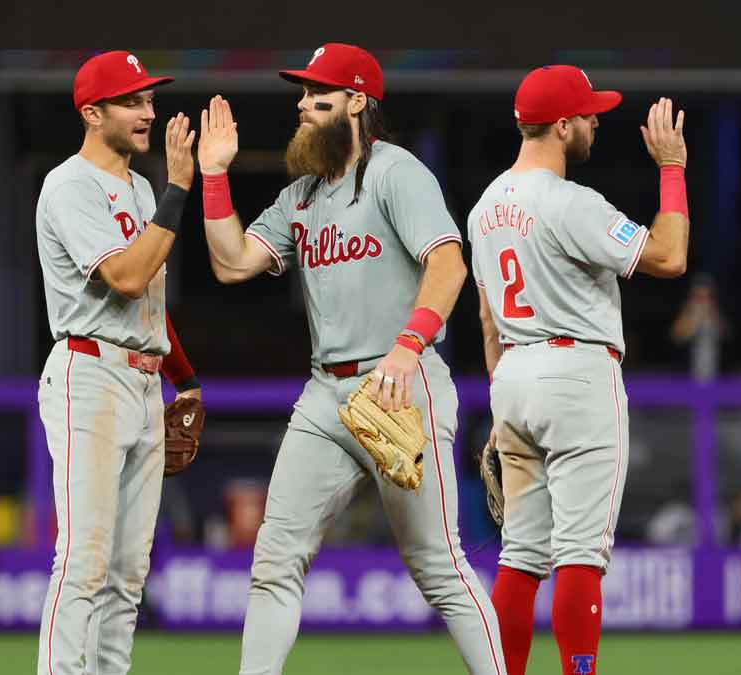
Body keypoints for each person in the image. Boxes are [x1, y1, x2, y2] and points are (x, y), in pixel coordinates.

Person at [195, 43, 504, 675]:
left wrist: (406, 348)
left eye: (319, 95)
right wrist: (213, 176)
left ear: (358, 101)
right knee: (274, 560)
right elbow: (232, 263)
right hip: (324, 397)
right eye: (303, 95)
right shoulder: (302, 195)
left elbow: (448, 266)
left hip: (403, 385)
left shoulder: (396, 172)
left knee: (439, 566)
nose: (303, 106)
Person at [469, 65, 689, 675]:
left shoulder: (484, 207)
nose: (596, 122)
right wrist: (672, 168)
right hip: (576, 374)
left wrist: (499, 403)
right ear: (561, 125)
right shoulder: (570, 202)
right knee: (578, 555)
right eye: (588, 115)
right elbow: (670, 256)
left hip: (512, 375)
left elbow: (488, 318)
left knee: (519, 556)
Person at [33, 50, 201, 675]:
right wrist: (180, 188)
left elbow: (149, 311)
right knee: (85, 559)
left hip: (142, 382)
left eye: (149, 100)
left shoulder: (135, 187)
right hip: (90, 374)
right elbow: (127, 279)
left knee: (129, 574)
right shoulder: (70, 183)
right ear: (91, 111)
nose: (147, 112)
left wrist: (188, 382)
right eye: (132, 102)